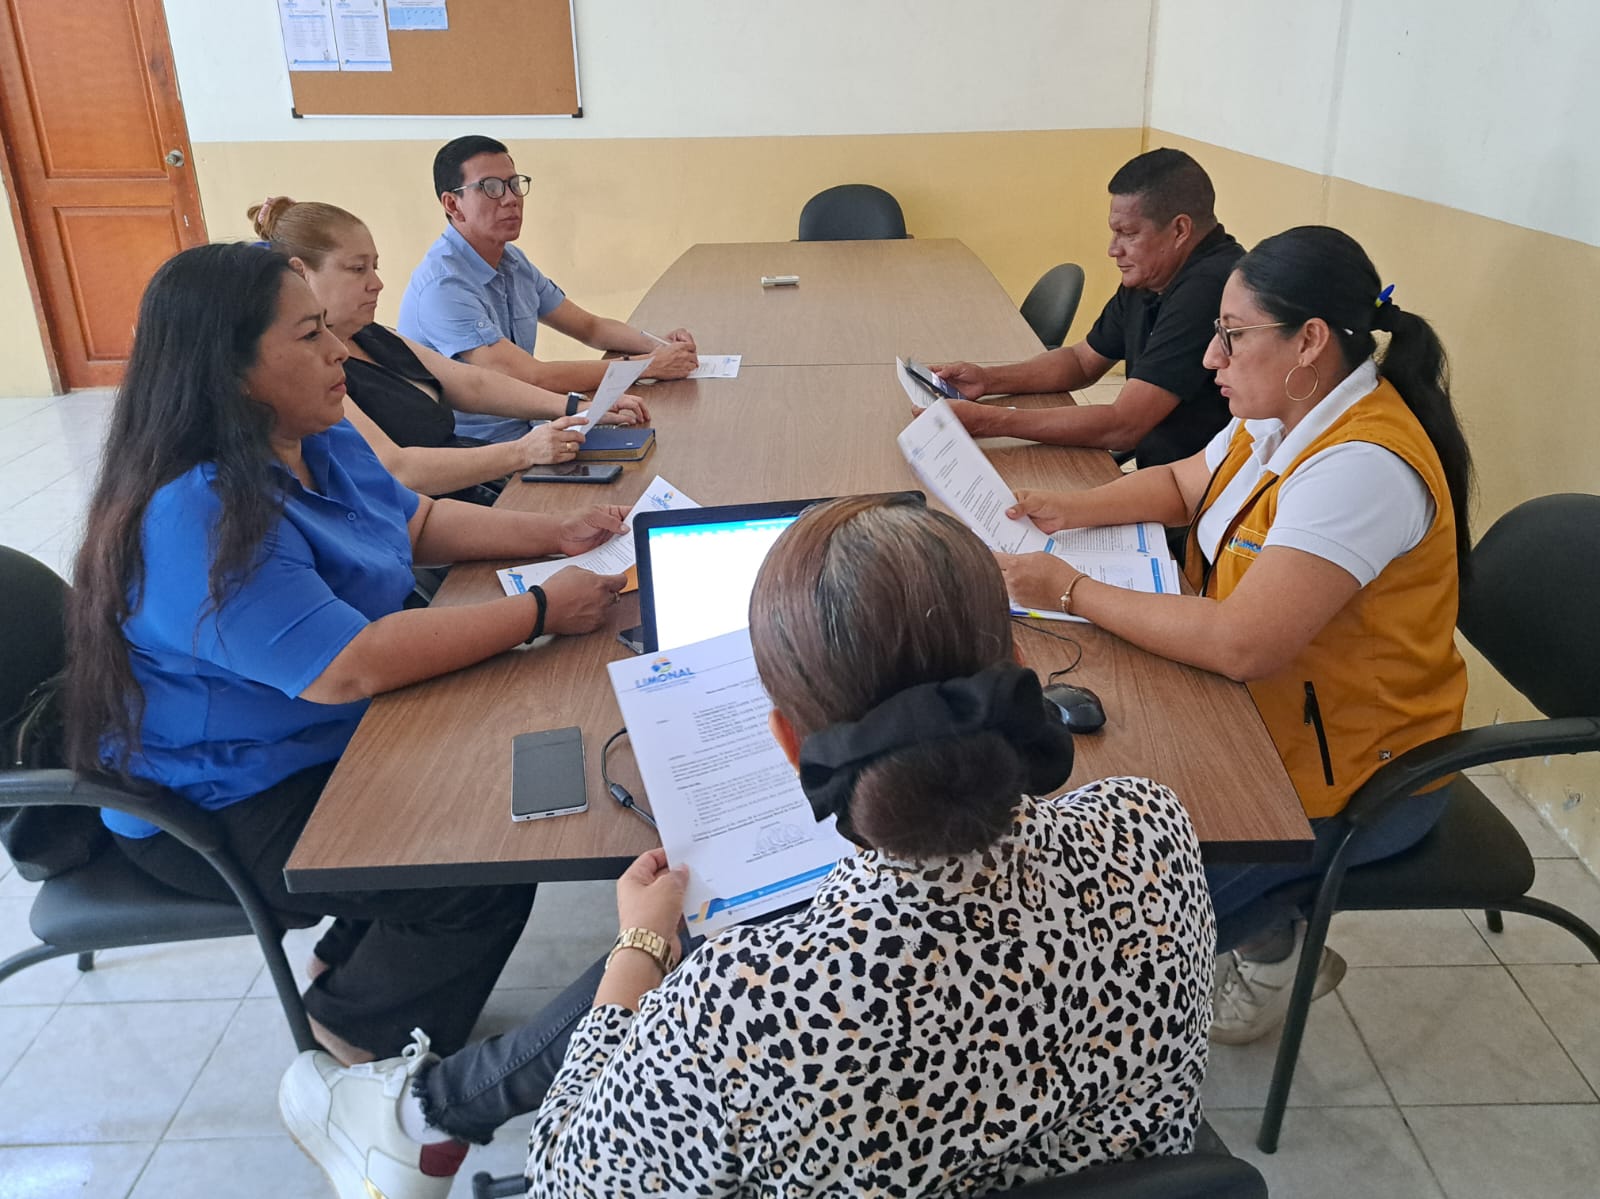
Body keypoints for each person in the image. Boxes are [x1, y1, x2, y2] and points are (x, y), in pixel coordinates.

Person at [278, 494, 1216, 1199]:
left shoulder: (743, 1007)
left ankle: (408, 1117)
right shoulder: (1152, 825)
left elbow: (568, 1174)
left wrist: (639, 947)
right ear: (1019, 674)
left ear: (787, 743)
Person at [63, 243, 632, 1072]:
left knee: (484, 779)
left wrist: (558, 534)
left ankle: (351, 959)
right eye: (309, 336)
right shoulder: (197, 513)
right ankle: (352, 1038)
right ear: (229, 370)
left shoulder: (315, 434)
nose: (339, 352)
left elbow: (415, 521)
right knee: (472, 868)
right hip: (219, 793)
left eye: (327, 328)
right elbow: (349, 666)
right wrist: (541, 609)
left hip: (312, 733)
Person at [995, 225, 1474, 1045]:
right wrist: (1065, 510)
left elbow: (1242, 642)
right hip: (1262, 717)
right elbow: (1187, 482)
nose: (1211, 358)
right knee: (1099, 817)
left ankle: (1270, 949)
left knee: (1123, 931)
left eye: (1232, 335)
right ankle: (1262, 930)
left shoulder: (1361, 464)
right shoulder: (1286, 408)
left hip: (1355, 775)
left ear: (1309, 341)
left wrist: (1070, 588)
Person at [249, 196, 649, 501]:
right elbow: (397, 469)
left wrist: (575, 408)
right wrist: (522, 452)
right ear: (300, 273)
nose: (377, 283)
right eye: (357, 269)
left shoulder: (372, 334)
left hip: (476, 484)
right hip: (437, 516)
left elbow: (471, 384)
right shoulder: (312, 370)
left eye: (375, 267)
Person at [932, 148, 1240, 470]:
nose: (1113, 249)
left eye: (1128, 233)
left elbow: (1124, 425)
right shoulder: (1154, 273)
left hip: (1202, 490)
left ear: (1179, 230)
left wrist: (990, 421)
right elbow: (1082, 361)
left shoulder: (1212, 289)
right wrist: (987, 380)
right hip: (1163, 475)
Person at [399, 135, 698, 443]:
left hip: (532, 431)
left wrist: (659, 345)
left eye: (514, 184)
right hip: (476, 450)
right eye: (491, 188)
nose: (510, 199)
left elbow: (591, 327)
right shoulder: (443, 287)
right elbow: (532, 376)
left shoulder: (512, 261)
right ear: (453, 204)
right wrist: (646, 366)